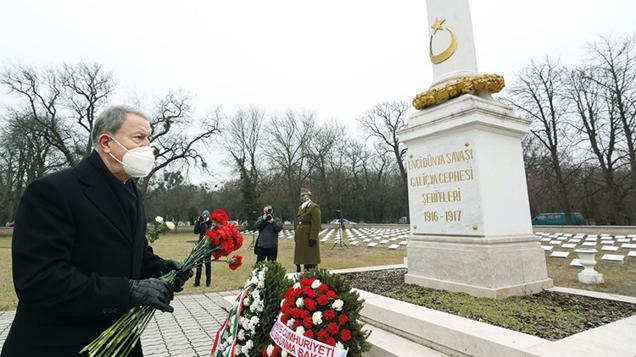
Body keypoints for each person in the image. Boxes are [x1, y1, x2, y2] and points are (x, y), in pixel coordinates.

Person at [0, 106, 192, 357]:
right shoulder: (52, 191)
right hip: (60, 344)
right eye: (139, 138)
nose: (148, 146)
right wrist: (128, 291)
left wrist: (160, 268)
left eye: (149, 138)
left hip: (119, 344)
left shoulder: (130, 190)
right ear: (106, 142)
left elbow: (133, 251)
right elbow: (40, 280)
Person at [294, 188, 321, 272]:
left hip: (308, 236)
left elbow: (316, 224)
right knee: (303, 259)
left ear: (309, 196)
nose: (302, 197)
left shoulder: (314, 207)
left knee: (310, 260)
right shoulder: (301, 207)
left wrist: (313, 237)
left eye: (304, 195)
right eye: (301, 195)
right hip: (301, 237)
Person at [193, 209, 213, 286]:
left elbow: (208, 231)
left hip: (208, 245)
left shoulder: (210, 224)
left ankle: (208, 283)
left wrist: (205, 223)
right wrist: (198, 223)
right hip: (200, 245)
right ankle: (197, 282)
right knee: (199, 264)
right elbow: (196, 232)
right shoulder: (201, 223)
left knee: (208, 264)